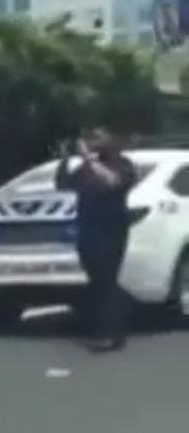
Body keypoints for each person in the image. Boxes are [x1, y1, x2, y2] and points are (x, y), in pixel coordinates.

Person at [55, 126, 137, 352]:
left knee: (106, 280)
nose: (94, 142)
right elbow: (63, 185)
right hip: (87, 229)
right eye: (91, 138)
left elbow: (113, 182)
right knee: (97, 283)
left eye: (99, 137)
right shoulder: (85, 168)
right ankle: (108, 328)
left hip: (111, 229)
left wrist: (89, 161)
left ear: (112, 139)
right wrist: (64, 159)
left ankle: (109, 334)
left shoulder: (122, 164)